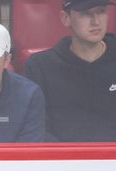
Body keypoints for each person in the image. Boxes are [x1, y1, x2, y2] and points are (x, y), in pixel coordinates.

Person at [24, 0, 116, 141]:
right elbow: (36, 127)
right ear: (65, 18)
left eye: (101, 11)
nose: (96, 22)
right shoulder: (39, 66)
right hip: (60, 160)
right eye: (86, 14)